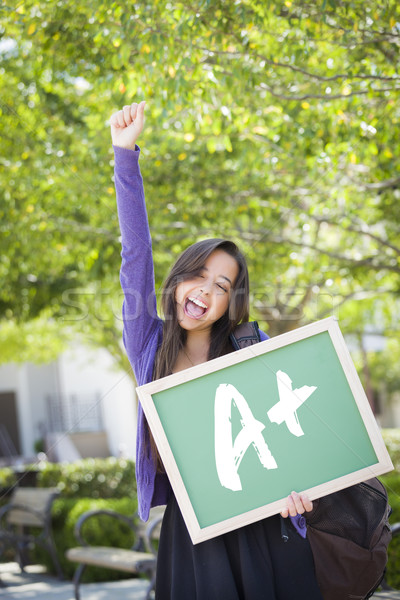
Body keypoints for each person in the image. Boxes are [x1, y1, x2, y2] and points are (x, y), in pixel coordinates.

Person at [110, 101, 323, 600]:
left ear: (233, 302)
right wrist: (125, 155)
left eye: (222, 284)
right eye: (198, 274)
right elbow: (135, 252)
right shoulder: (149, 342)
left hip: (264, 524)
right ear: (180, 278)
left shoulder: (253, 345)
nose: (205, 290)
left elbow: (300, 434)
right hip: (194, 528)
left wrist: (301, 490)